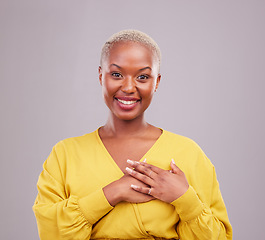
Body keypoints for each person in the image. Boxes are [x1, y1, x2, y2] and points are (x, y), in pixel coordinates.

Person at [33, 29, 233, 240]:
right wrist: (112, 193)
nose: (128, 87)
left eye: (143, 76)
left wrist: (185, 199)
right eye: (117, 74)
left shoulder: (188, 153)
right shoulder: (65, 154)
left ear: (156, 82)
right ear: (101, 76)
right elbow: (51, 233)